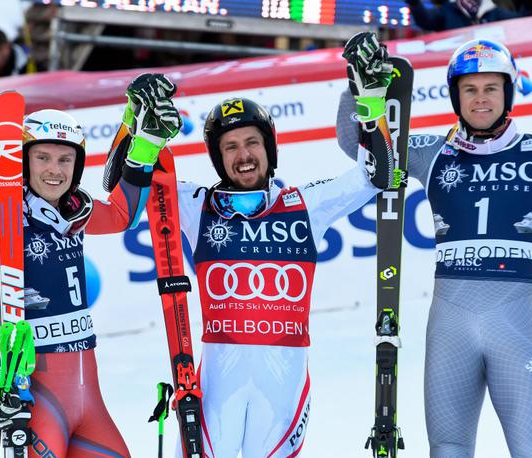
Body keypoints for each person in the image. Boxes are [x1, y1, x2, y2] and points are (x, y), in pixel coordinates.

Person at [338, 34, 532, 457]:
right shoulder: (432, 152)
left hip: (516, 328)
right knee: (448, 450)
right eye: (469, 90)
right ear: (455, 96)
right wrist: (359, 92)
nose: (480, 99)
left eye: (490, 88)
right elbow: (362, 148)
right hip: (450, 326)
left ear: (508, 92)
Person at [108, 72, 393, 456]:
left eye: (252, 142)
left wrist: (372, 105)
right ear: (218, 158)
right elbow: (120, 189)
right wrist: (134, 120)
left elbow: (376, 177)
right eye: (230, 147)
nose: (243, 155)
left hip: (284, 382)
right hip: (216, 383)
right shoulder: (197, 205)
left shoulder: (305, 204)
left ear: (270, 148)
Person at [0, 76, 176, 457]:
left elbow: (123, 214)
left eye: (65, 159)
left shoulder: (77, 213)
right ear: (23, 160)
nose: (54, 170)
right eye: (42, 157)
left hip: (90, 404)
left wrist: (144, 144)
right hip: (36, 406)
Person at [406, 0, 520, 31]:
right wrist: (414, 3)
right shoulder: (448, 10)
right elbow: (426, 21)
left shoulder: (495, 12)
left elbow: (521, 21)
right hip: (459, 69)